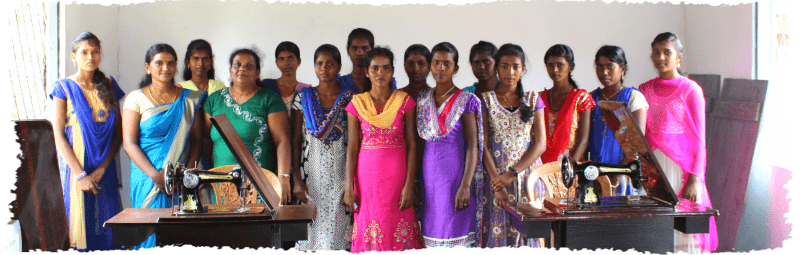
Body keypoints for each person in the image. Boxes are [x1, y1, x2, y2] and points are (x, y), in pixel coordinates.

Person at [122, 43, 206, 249]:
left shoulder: (190, 99)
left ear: (176, 66)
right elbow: (130, 144)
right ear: (147, 67)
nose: (165, 68)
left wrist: (187, 176)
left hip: (181, 179)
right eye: (159, 63)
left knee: (182, 237)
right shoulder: (136, 99)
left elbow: (197, 140)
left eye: (170, 63)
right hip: (147, 177)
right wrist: (156, 176)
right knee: (149, 236)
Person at [639, 32, 717, 253]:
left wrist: (695, 178)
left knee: (683, 228)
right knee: (656, 228)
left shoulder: (691, 90)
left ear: (679, 57)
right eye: (656, 52)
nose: (661, 57)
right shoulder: (644, 89)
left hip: (681, 170)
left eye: (667, 52)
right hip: (654, 169)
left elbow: (700, 139)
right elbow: (641, 133)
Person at [343, 47, 423, 252]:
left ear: (393, 71)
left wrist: (410, 185)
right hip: (367, 180)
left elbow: (412, 145)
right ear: (367, 72)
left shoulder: (404, 101)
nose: (381, 73)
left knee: (397, 223)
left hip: (398, 177)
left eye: (386, 68)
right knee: (370, 221)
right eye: (375, 68)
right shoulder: (357, 104)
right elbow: (352, 148)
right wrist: (348, 187)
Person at [50, 32, 125, 251]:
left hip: (105, 169)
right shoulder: (63, 87)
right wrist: (80, 175)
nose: (90, 57)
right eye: (84, 52)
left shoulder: (109, 85)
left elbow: (118, 133)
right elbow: (58, 135)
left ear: (100, 55)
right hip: (77, 170)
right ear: (74, 57)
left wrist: (102, 169)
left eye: (95, 52)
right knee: (79, 226)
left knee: (107, 227)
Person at [202, 48, 293, 204]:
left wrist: (283, 179)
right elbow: (206, 140)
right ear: (230, 70)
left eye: (249, 66)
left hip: (261, 184)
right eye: (237, 65)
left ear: (257, 72)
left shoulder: (269, 99)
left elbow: (282, 141)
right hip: (223, 185)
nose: (242, 69)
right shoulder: (214, 101)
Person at [416, 42, 483, 247]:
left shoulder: (465, 100)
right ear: (430, 66)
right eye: (436, 62)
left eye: (447, 63)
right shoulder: (422, 100)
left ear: (455, 68)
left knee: (457, 238)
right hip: (429, 179)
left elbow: (473, 146)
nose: (440, 68)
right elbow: (419, 147)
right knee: (431, 238)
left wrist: (465, 185)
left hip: (456, 179)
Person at [480, 43, 547, 248]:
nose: (510, 72)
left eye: (516, 67)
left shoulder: (533, 99)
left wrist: (512, 173)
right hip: (497, 180)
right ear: (497, 69)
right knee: (499, 233)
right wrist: (498, 183)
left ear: (523, 69)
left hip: (528, 179)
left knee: (530, 237)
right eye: (504, 66)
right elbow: (483, 145)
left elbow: (541, 144)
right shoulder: (486, 100)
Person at [290, 44, 354, 250]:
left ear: (339, 67)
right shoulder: (303, 97)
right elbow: (295, 141)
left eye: (330, 64)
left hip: (340, 177)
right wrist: (296, 180)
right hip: (310, 178)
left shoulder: (350, 99)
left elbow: (354, 144)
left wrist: (350, 185)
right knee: (311, 236)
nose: (324, 68)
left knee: (337, 237)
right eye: (319, 63)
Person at [588, 45, 649, 195]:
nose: (604, 72)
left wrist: (618, 175)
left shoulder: (634, 98)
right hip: (595, 174)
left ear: (622, 69)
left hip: (623, 174)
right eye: (600, 66)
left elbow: (637, 144)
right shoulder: (591, 98)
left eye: (610, 66)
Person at [538, 44, 595, 163]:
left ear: (571, 67)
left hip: (572, 165)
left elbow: (583, 141)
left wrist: (569, 167)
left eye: (560, 65)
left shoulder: (582, 98)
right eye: (550, 65)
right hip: (542, 166)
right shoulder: (539, 99)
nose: (555, 70)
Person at [338, 28, 396, 92]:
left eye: (365, 48)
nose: (359, 53)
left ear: (372, 50)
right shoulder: (340, 83)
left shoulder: (385, 80)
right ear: (348, 51)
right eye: (354, 48)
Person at [262, 41, 312, 117]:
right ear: (277, 63)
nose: (286, 63)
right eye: (281, 59)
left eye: (290, 58)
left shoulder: (306, 90)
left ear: (299, 61)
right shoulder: (267, 86)